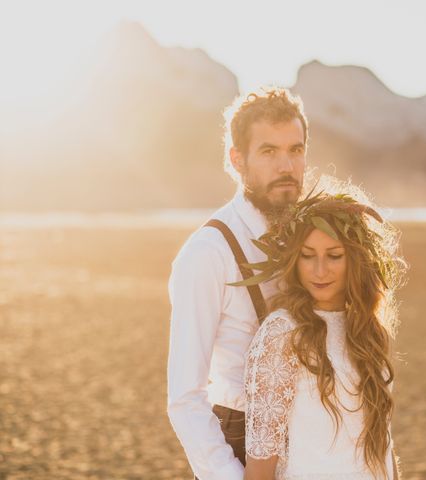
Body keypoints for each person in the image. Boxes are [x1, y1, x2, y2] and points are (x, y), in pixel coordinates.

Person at [167, 87, 309, 480]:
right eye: (268, 151)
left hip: (307, 436)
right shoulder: (208, 252)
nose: (286, 165)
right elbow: (185, 396)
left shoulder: (311, 235)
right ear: (237, 159)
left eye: (295, 150)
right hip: (240, 437)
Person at [239, 184, 406, 479]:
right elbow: (261, 462)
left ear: (355, 259)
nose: (319, 270)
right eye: (307, 255)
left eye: (333, 255)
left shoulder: (368, 329)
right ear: (294, 259)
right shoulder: (282, 333)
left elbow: (383, 444)